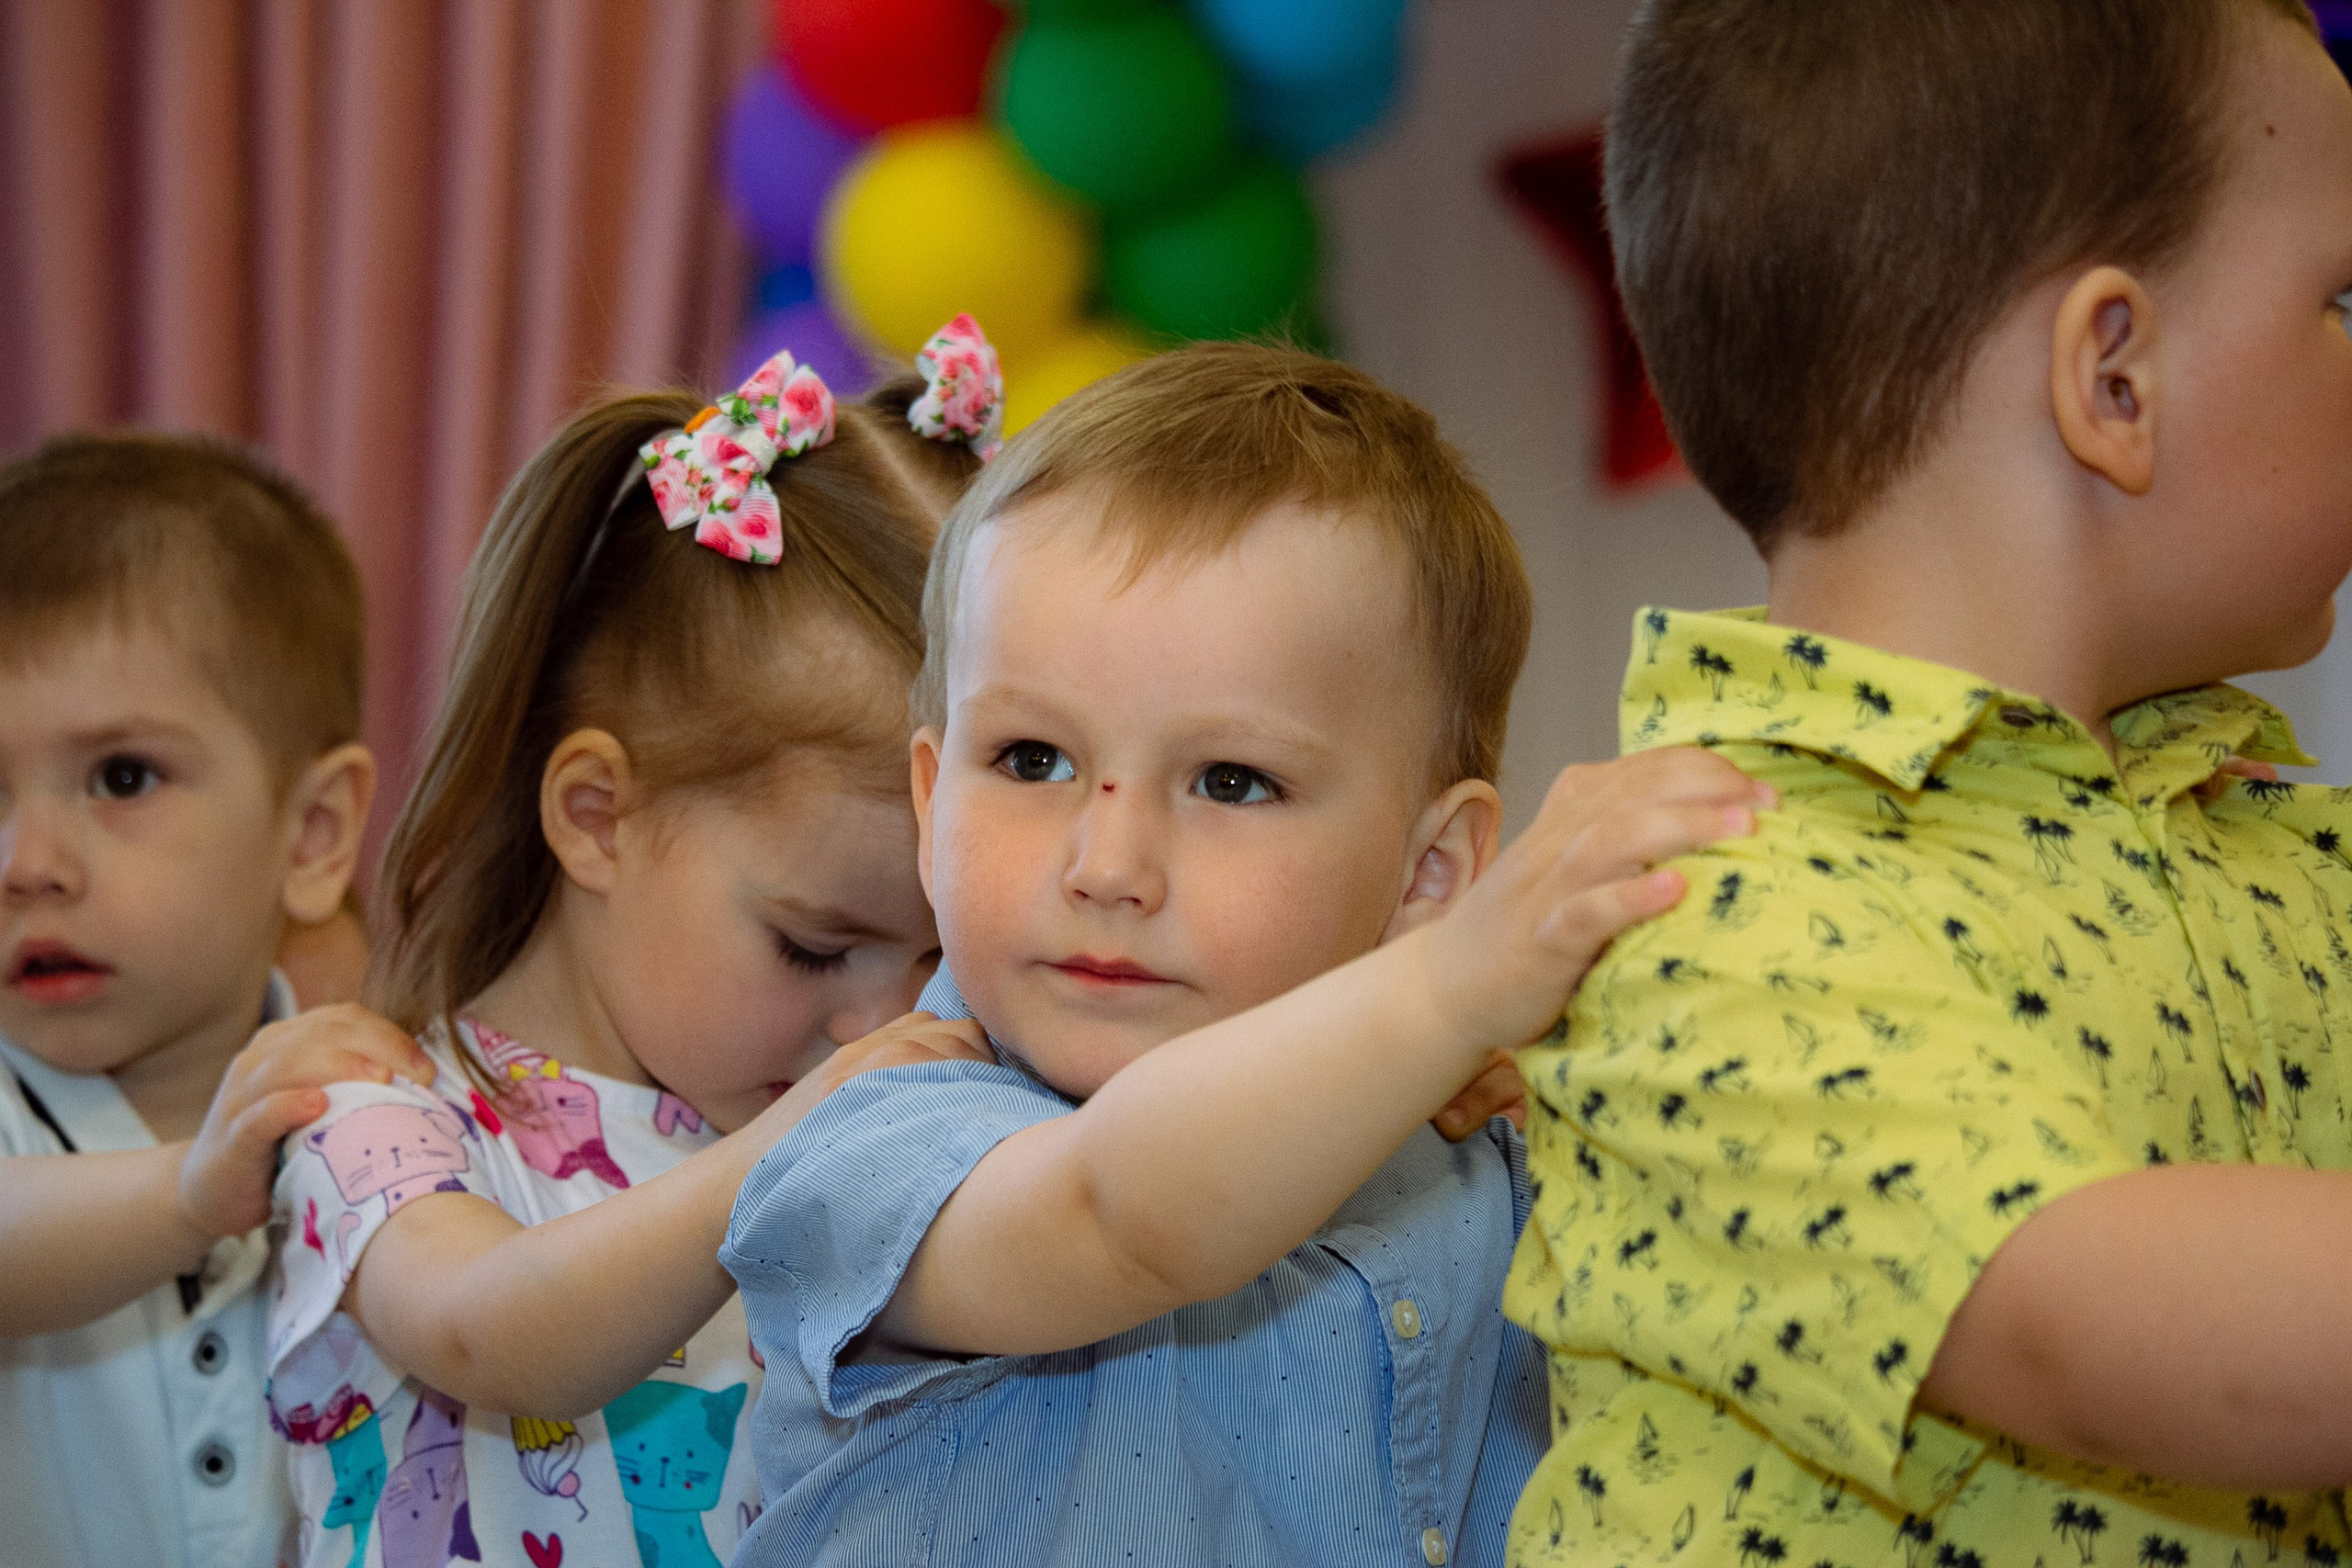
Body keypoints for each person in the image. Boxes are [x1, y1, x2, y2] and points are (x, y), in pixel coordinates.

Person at [1505, 2, 2352, 1563]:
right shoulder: (1699, 907)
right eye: (2341, 296)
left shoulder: (2284, 853)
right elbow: (2083, 1319)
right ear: (2115, 375)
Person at [719, 342, 1770, 1567]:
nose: (1108, 862)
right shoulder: (879, 1139)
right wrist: (1445, 989)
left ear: (1428, 875)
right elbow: (1120, 1211)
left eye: (1231, 779)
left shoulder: (1480, 1165)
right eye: (1029, 758)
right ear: (930, 794)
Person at [263, 321, 1008, 1568]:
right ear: (595, 816)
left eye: (934, 959)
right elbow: (493, 1329)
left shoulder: (863, 1105)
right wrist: (808, 1132)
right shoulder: (373, 1112)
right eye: (816, 946)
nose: (879, 1021)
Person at [0, 433, 424, 1568]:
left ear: (314, 833)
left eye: (122, 777)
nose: (27, 859)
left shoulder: (374, 1089)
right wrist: (186, 1196)